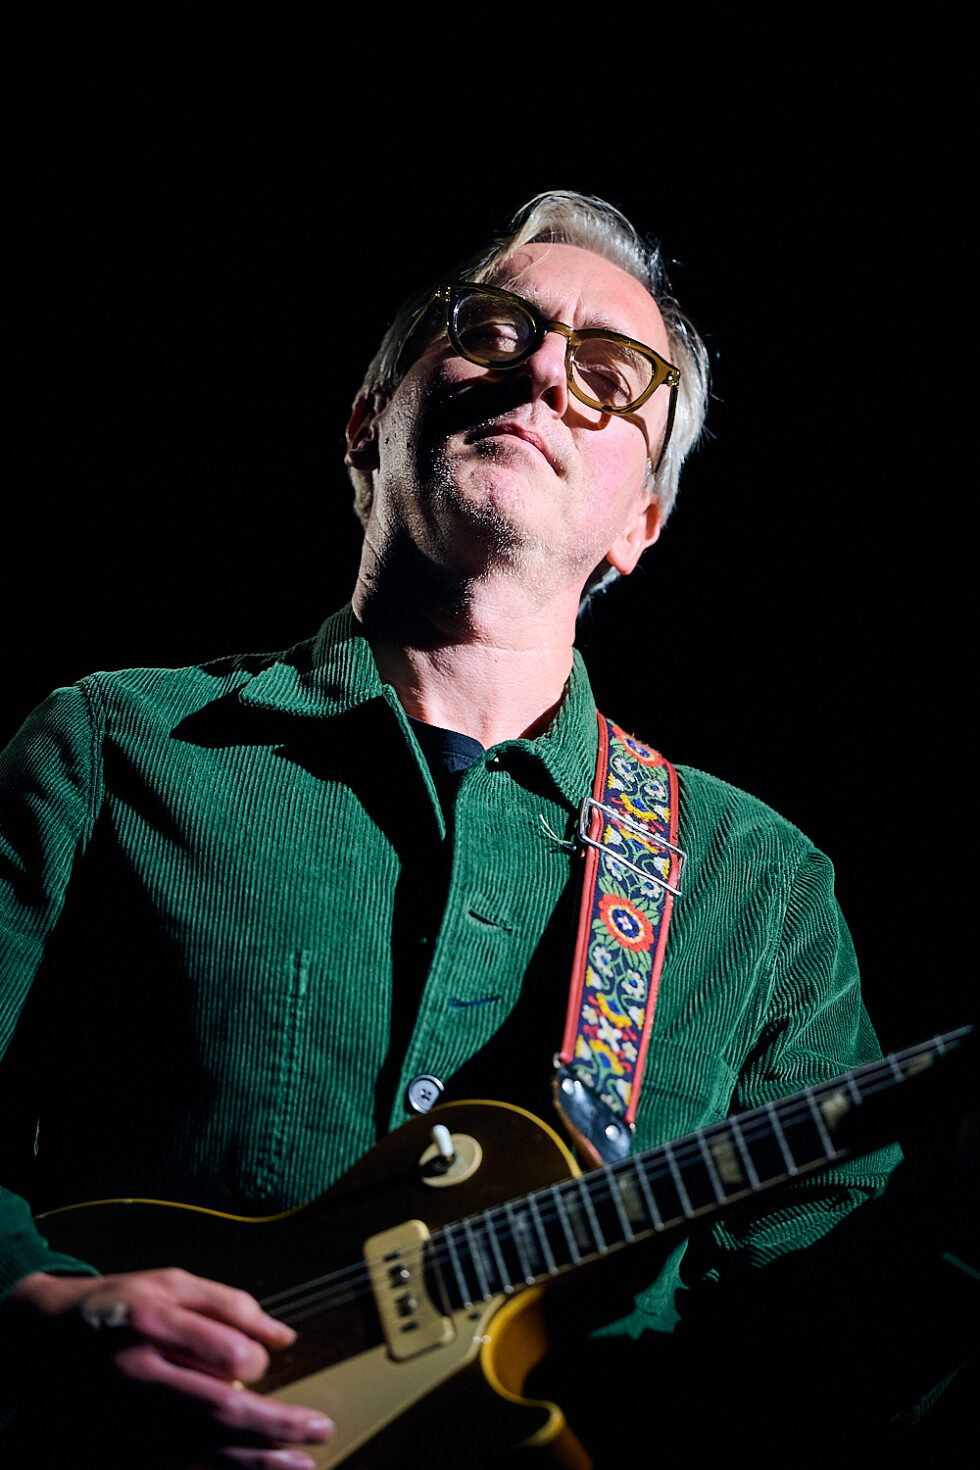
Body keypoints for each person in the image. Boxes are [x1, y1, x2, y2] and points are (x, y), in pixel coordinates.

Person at [0, 191, 974, 1468]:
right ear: (367, 421)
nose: (545, 372)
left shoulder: (758, 890)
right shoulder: (116, 749)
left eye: (611, 375)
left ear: (641, 523)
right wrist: (35, 1307)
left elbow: (808, 1375)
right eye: (494, 328)